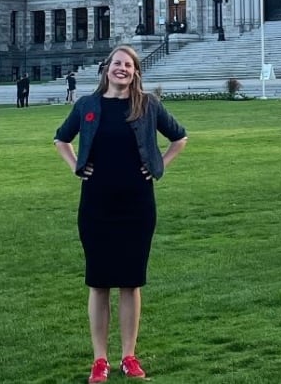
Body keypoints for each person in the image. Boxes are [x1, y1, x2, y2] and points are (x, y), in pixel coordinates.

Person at [53, 45, 188, 383]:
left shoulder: (147, 105)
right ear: (107, 68)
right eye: (117, 64)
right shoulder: (88, 105)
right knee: (98, 283)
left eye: (128, 65)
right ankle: (100, 360)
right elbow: (60, 139)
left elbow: (180, 137)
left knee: (130, 281)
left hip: (137, 204)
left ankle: (129, 355)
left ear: (135, 72)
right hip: (96, 204)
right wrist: (76, 167)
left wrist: (158, 166)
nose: (122, 69)